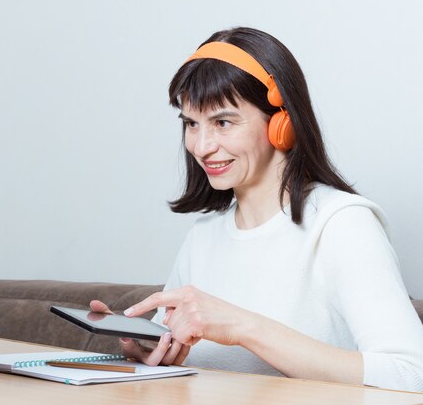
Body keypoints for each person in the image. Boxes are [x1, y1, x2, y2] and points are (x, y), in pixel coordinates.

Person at [91, 27, 423, 392]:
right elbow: (176, 356)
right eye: (191, 124)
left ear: (281, 123)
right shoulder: (203, 236)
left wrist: (242, 327)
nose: (201, 147)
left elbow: (411, 372)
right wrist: (149, 350)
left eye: (222, 122)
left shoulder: (341, 223)